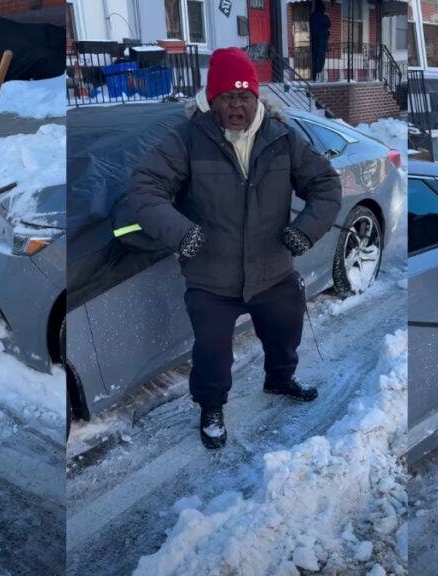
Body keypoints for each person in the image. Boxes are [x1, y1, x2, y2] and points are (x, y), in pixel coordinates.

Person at [120, 47, 342, 449]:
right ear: (212, 100)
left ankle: (279, 378)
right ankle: (211, 407)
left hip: (272, 270)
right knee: (212, 354)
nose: (236, 106)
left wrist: (305, 230)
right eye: (227, 97)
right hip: (211, 276)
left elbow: (325, 186)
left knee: (284, 334)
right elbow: (144, 189)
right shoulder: (187, 140)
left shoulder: (283, 139)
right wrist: (180, 232)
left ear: (257, 98)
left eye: (244, 96)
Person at [309, 0, 331, 81]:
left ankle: (314, 76)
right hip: (322, 40)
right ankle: (317, 73)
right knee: (320, 58)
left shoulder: (312, 16)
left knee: (315, 58)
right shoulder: (322, 16)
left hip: (314, 40)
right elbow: (329, 24)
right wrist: (327, 16)